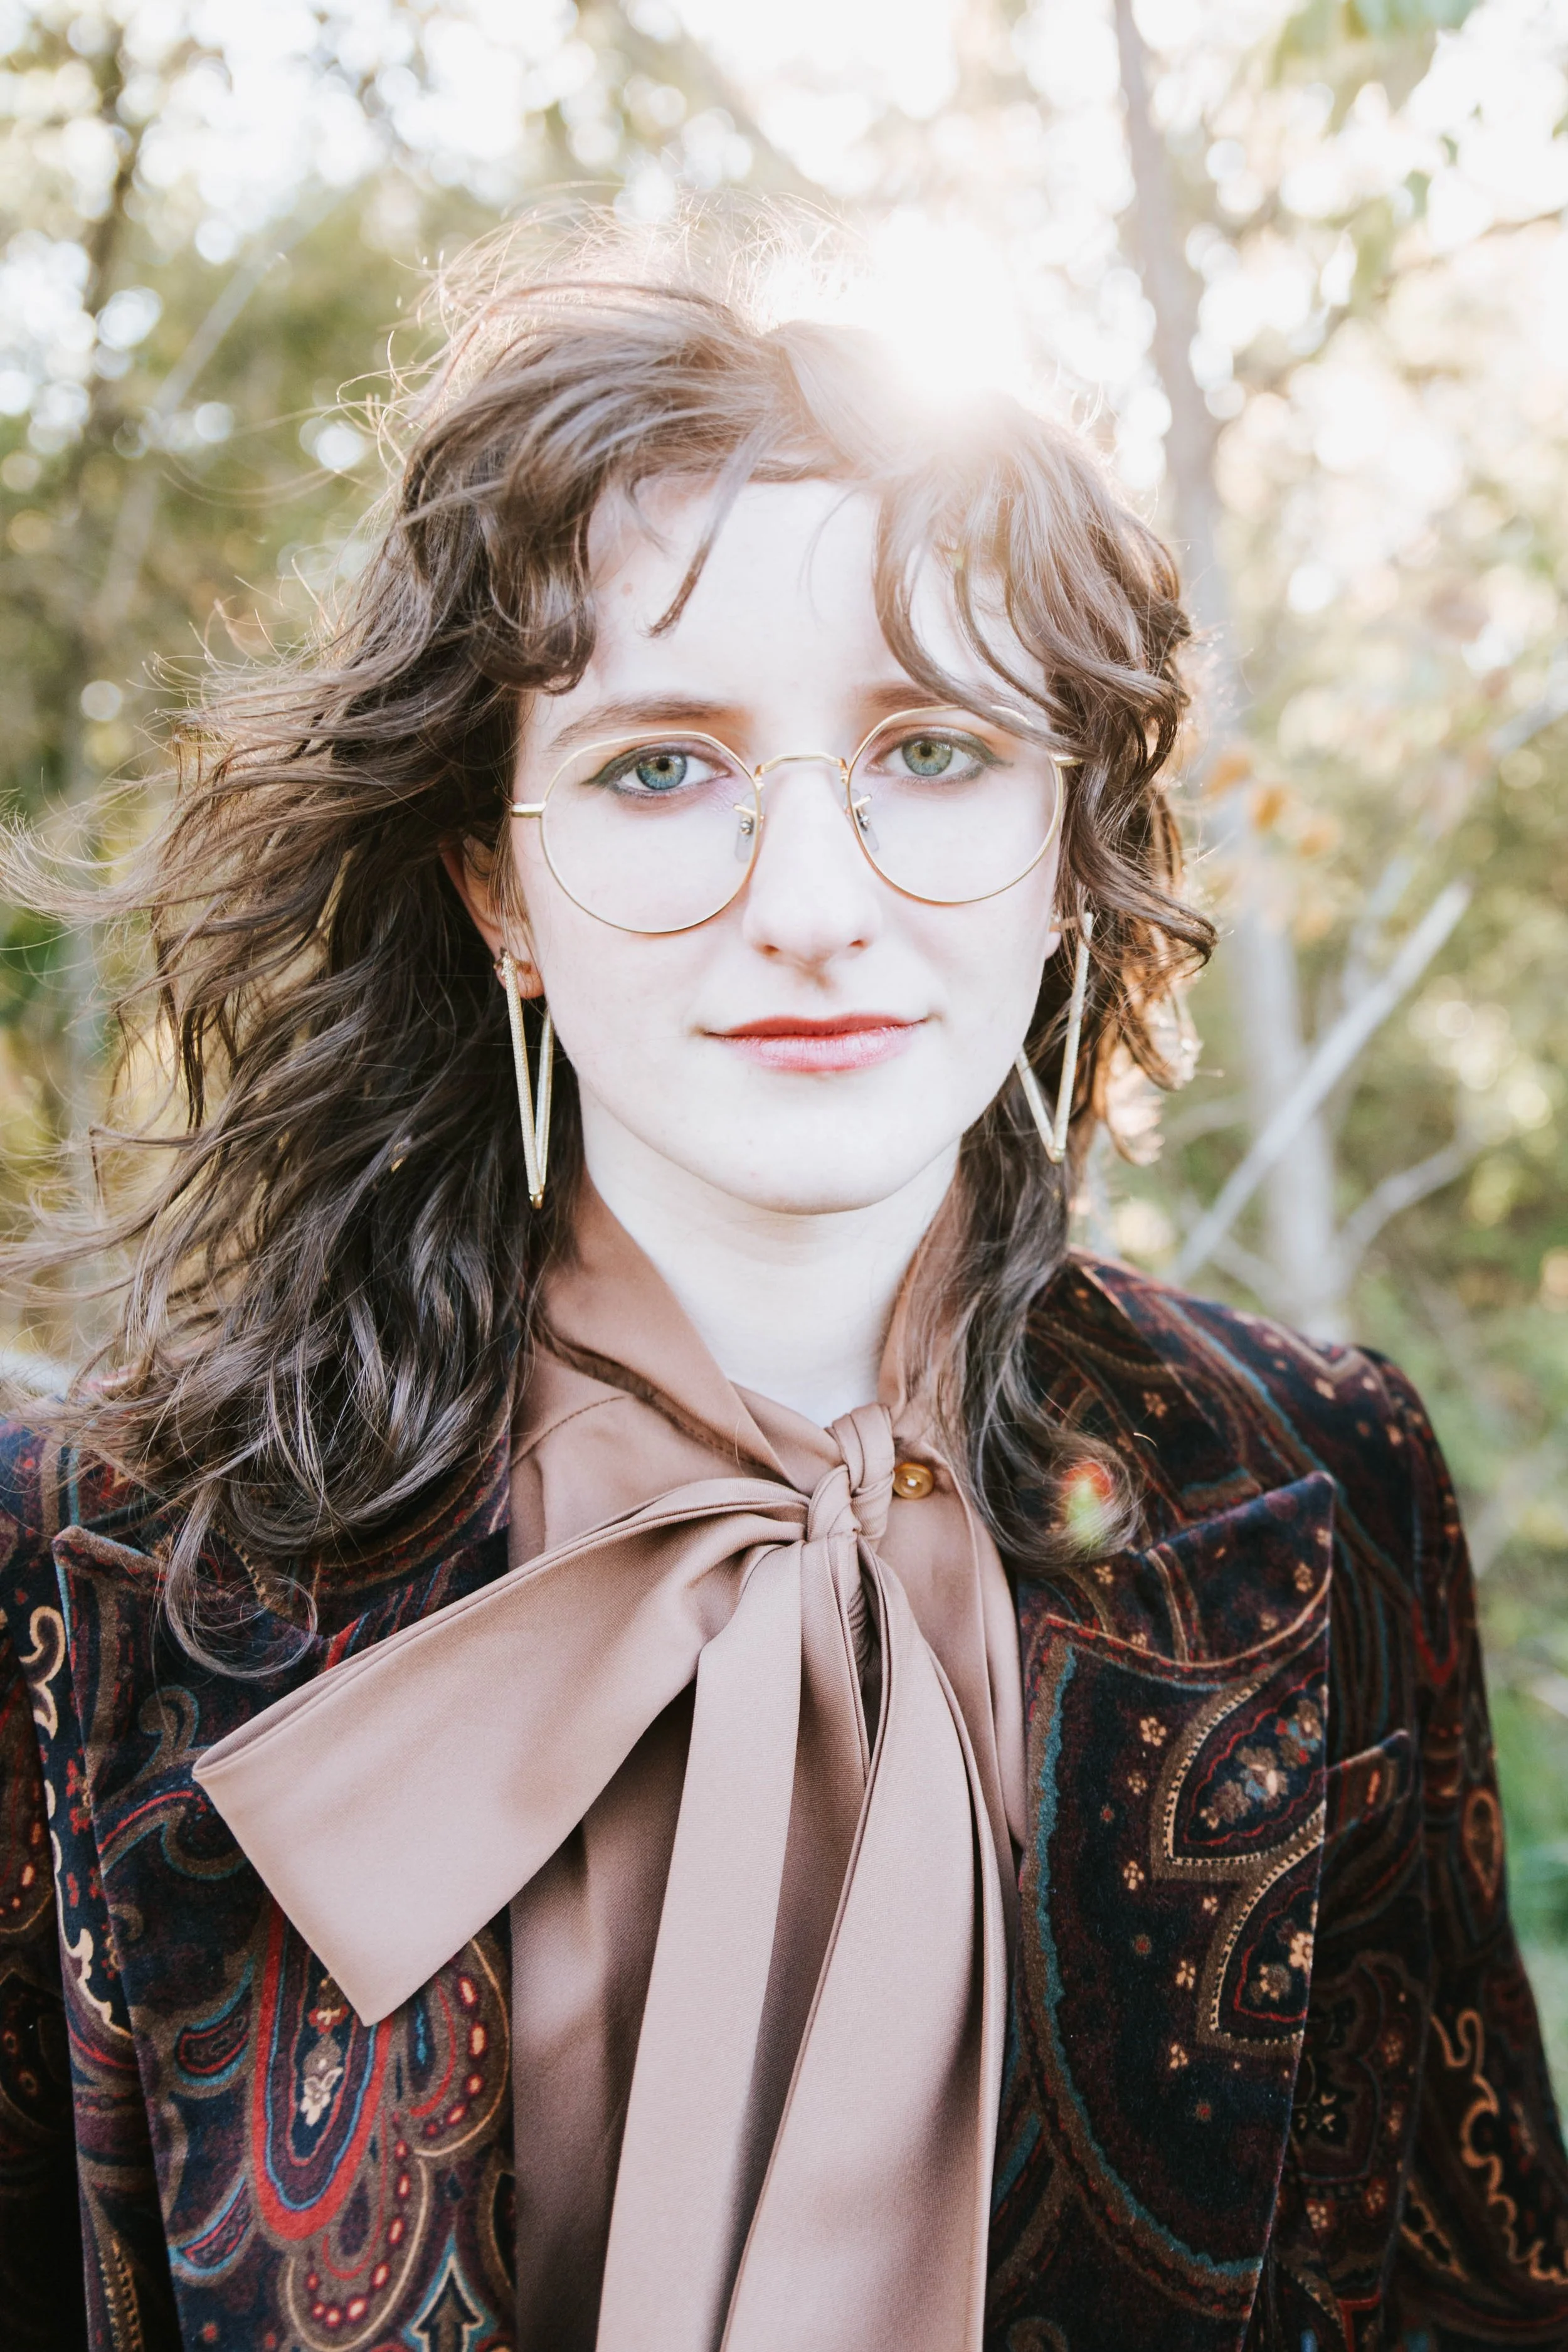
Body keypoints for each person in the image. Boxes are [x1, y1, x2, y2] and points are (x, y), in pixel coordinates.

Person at [2, 219, 1565, 2352]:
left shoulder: (1330, 1478)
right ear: (496, 885)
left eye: (933, 750)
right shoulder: (94, 1563)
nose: (814, 902)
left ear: (1063, 848)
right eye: (662, 767)